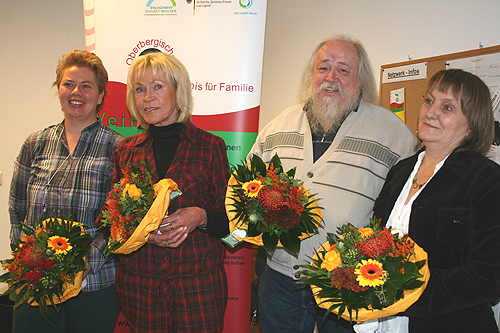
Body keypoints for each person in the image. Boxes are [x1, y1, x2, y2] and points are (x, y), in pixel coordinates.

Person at [248, 35, 417, 333]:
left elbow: (412, 203)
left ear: (361, 80)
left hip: (348, 285)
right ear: (311, 75)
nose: (331, 77)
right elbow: (246, 189)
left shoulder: (394, 134)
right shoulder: (278, 126)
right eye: (323, 67)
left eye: (343, 69)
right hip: (280, 281)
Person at [107, 52, 229, 332]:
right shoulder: (125, 151)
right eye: (140, 89)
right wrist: (141, 234)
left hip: (198, 288)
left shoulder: (210, 147)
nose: (147, 97)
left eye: (157, 87)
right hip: (140, 287)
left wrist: (200, 217)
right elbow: (109, 223)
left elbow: (234, 225)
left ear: (179, 91)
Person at [371, 69, 500, 333]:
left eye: (448, 107)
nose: (431, 112)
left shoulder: (486, 179)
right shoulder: (400, 171)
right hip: (385, 322)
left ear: (472, 124)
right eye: (429, 101)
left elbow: (489, 275)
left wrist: (405, 294)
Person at [8, 50, 123, 332]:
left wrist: (82, 265)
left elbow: (121, 223)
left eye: (87, 86)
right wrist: (31, 259)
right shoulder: (35, 143)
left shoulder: (119, 149)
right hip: (36, 285)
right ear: (58, 90)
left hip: (92, 287)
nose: (76, 92)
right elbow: (17, 208)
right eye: (68, 84)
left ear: (100, 97)